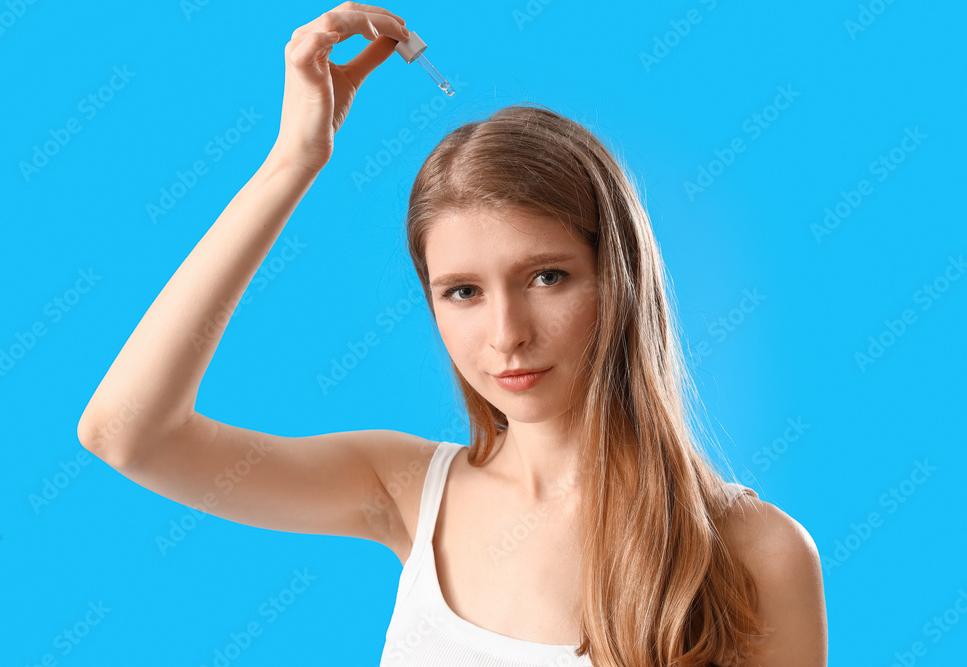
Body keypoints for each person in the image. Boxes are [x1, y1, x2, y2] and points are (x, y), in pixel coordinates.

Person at [76, 3, 828, 665]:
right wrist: (291, 162)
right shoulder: (403, 489)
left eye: (546, 277)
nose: (507, 335)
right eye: (462, 291)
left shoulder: (754, 553)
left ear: (619, 279)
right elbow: (126, 433)